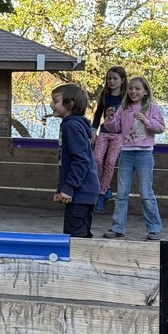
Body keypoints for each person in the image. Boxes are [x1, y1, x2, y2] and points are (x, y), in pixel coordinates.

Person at [101, 76, 166, 240]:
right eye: (130, 88)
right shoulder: (123, 108)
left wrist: (147, 121)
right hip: (127, 154)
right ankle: (117, 227)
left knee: (146, 192)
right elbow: (114, 127)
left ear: (145, 91)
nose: (133, 91)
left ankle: (154, 228)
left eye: (137, 88)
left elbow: (160, 128)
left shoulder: (152, 108)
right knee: (122, 193)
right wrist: (109, 118)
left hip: (144, 153)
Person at [51, 84, 99, 238]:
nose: (52, 105)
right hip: (80, 191)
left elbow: (81, 160)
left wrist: (69, 187)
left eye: (55, 101)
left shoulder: (71, 126)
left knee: (75, 240)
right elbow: (66, 162)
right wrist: (61, 189)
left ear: (70, 104)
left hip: (81, 191)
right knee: (79, 235)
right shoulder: (71, 125)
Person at [91, 66, 127, 213]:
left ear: (122, 80)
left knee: (111, 161)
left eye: (115, 79)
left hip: (119, 134)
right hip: (104, 132)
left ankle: (101, 193)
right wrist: (93, 130)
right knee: (97, 159)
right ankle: (105, 188)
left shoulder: (126, 97)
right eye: (109, 79)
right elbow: (97, 115)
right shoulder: (105, 95)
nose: (111, 81)